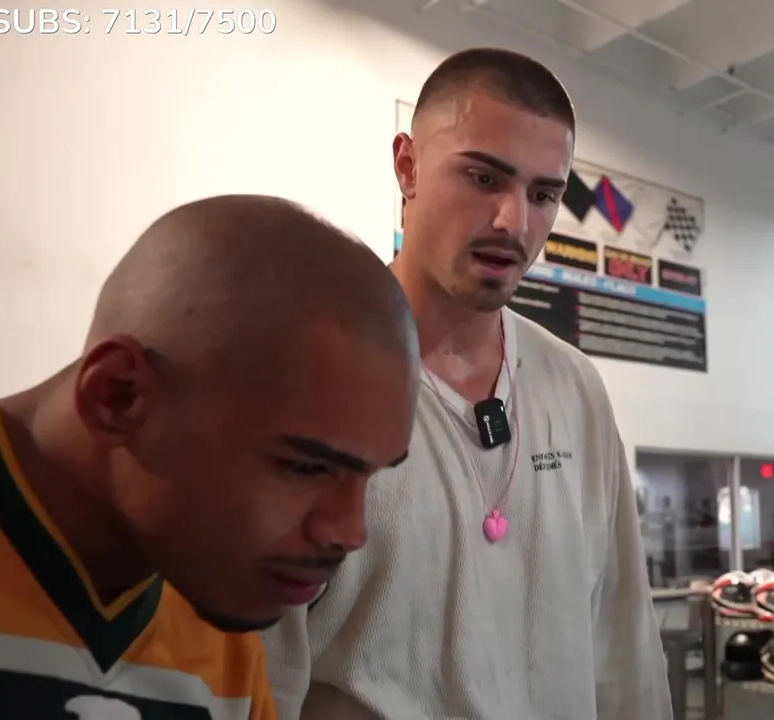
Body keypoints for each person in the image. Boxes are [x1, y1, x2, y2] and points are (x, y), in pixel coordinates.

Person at [261, 47, 673, 720]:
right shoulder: (304, 375)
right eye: (484, 178)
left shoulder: (574, 389)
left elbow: (623, 649)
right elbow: (258, 669)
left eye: (543, 195)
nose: (514, 221)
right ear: (407, 166)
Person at [0, 195, 420, 717]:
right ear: (117, 396)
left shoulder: (215, 602)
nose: (350, 532)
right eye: (305, 467)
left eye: (370, 476)